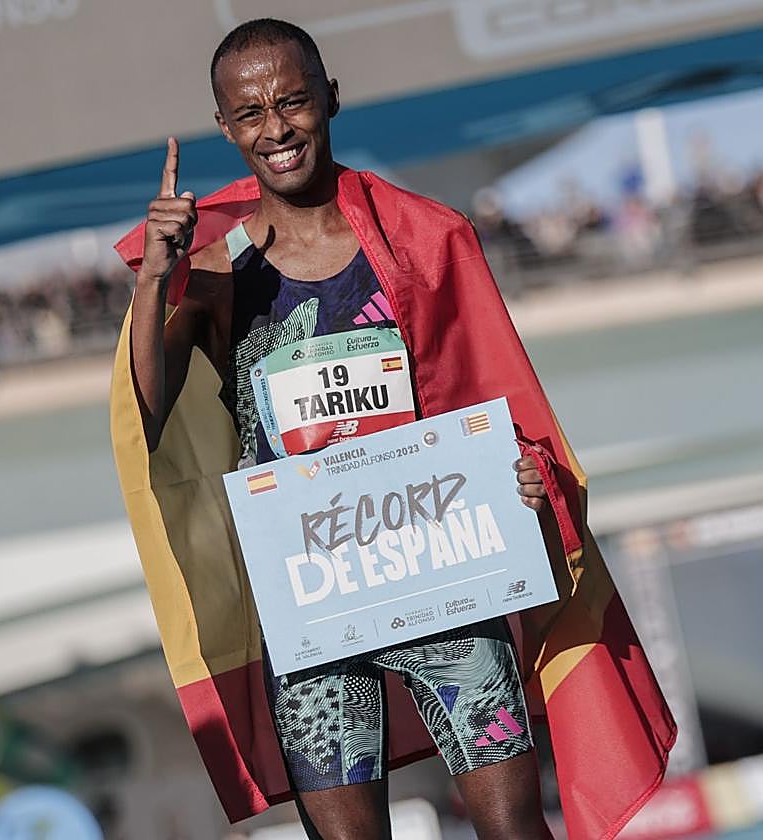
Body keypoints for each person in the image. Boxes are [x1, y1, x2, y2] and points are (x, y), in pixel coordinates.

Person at [112, 18, 675, 840]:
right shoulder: (215, 272)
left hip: (443, 577)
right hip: (313, 606)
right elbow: (146, 410)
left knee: (514, 824)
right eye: (251, 113)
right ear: (225, 127)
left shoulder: (425, 237)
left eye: (294, 101)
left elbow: (493, 391)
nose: (276, 129)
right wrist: (156, 279)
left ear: (330, 98)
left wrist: (524, 471)